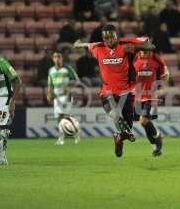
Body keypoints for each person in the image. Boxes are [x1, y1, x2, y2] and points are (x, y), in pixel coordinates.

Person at [74, 24, 154, 157]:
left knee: (127, 128)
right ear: (103, 38)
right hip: (107, 92)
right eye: (106, 37)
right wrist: (78, 44)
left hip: (127, 92)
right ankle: (122, 133)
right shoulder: (98, 47)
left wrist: (136, 47)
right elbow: (87, 45)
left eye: (112, 36)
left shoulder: (125, 44)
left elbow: (151, 46)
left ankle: (118, 138)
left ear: (117, 36)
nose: (109, 39)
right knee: (115, 114)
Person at [131, 50, 169, 156]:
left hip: (150, 95)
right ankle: (155, 146)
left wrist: (162, 87)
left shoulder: (156, 58)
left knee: (143, 121)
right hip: (137, 96)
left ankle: (157, 136)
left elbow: (165, 74)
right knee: (143, 123)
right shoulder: (134, 58)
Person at [46, 52, 80, 145]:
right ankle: (61, 137)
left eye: (59, 57)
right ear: (53, 59)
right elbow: (50, 84)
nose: (57, 58)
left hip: (66, 94)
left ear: (62, 58)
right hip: (56, 95)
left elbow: (77, 80)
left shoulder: (67, 68)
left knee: (66, 116)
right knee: (58, 117)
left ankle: (76, 134)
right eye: (55, 57)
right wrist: (49, 93)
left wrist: (69, 86)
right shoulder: (51, 70)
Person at [0, 57, 22, 166]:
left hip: (3, 99)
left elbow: (17, 81)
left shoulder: (1, 62)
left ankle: (1, 157)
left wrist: (13, 101)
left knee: (1, 129)